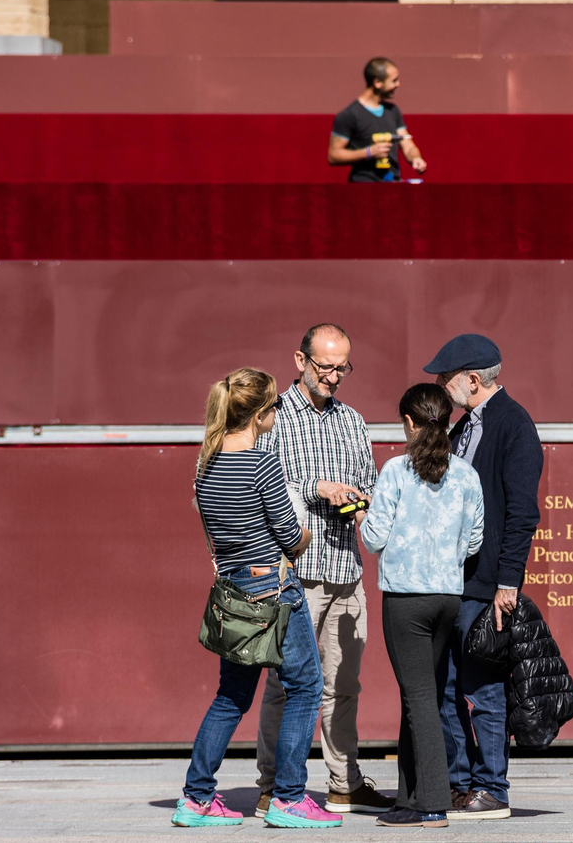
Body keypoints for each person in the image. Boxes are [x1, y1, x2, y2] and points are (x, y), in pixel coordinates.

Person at [175, 368, 341, 829]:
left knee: (230, 696)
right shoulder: (262, 462)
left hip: (233, 591)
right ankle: (289, 799)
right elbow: (290, 536)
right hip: (276, 589)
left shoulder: (205, 463)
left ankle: (196, 799)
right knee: (306, 687)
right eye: (273, 407)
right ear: (260, 414)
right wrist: (309, 534)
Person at [253, 324, 393, 818]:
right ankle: (272, 784)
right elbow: (264, 482)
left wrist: (358, 499)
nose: (334, 376)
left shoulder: (352, 420)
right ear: (300, 360)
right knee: (286, 685)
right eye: (325, 366)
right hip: (294, 571)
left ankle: (343, 782)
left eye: (342, 367)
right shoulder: (273, 418)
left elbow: (371, 483)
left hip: (344, 567)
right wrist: (319, 487)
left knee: (344, 685)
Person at [426, 334, 543, 821]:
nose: (438, 385)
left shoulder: (513, 426)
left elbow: (522, 513)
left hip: (486, 584)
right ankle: (459, 784)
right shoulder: (461, 430)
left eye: (444, 378)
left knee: (483, 691)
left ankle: (491, 787)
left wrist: (507, 584)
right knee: (450, 687)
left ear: (472, 380)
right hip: (454, 583)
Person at [360, 384, 485, 828]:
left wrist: (363, 515)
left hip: (406, 598)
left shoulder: (395, 470)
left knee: (418, 699)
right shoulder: (466, 474)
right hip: (448, 596)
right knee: (421, 695)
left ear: (409, 423)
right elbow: (474, 542)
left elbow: (374, 538)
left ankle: (431, 802)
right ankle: (410, 795)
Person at [328, 56, 429, 183]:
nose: (398, 84)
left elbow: (407, 144)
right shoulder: (349, 115)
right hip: (363, 188)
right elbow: (333, 155)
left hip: (393, 185)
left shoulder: (393, 111)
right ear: (377, 83)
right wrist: (368, 152)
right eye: (394, 81)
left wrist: (416, 158)